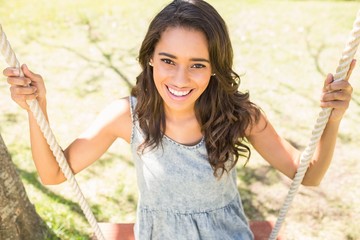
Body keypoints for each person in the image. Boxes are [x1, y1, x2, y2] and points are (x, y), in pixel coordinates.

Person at [3, 0, 355, 239]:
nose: (181, 79)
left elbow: (307, 175)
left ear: (215, 67)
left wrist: (333, 120)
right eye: (168, 60)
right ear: (151, 58)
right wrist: (39, 109)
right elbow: (52, 174)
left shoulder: (239, 116)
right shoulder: (128, 116)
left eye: (197, 65)